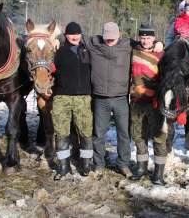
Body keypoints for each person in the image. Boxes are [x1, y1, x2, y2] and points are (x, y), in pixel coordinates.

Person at [89, 22, 163, 178]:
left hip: (121, 98)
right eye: (107, 37)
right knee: (99, 133)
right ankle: (99, 164)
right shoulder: (95, 43)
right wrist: (57, 38)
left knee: (124, 133)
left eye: (113, 37)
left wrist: (159, 43)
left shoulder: (129, 45)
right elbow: (74, 37)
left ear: (119, 35)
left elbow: (148, 43)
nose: (110, 40)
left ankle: (123, 164)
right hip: (101, 99)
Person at [50, 22, 93, 179]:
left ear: (81, 35)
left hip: (83, 97)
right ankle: (63, 166)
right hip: (62, 97)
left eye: (77, 34)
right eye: (71, 34)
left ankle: (86, 164)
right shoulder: (58, 51)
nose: (75, 37)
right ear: (66, 35)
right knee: (61, 132)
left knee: (86, 131)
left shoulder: (88, 50)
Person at [130, 23, 167, 185]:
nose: (145, 41)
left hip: (155, 104)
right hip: (136, 102)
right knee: (138, 136)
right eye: (142, 38)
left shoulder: (162, 55)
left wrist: (161, 44)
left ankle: (158, 174)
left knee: (159, 138)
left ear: (154, 38)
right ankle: (141, 168)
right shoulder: (133, 51)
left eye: (148, 38)